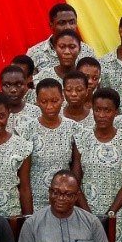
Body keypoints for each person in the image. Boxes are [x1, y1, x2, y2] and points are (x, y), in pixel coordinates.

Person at [74, 88, 122, 242]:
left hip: (117, 212)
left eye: (107, 110)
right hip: (85, 210)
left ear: (116, 112)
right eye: (98, 110)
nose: (102, 115)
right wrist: (89, 214)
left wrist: (111, 213)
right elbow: (76, 181)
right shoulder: (81, 138)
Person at [28, 79, 79, 208]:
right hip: (36, 201)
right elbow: (23, 176)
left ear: (62, 99)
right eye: (44, 102)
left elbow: (76, 168)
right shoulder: (26, 130)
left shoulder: (74, 128)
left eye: (54, 101)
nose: (49, 107)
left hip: (65, 200)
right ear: (37, 101)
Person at [27, 5, 97, 72]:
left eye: (72, 22)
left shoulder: (87, 51)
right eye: (62, 23)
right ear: (51, 26)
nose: (68, 27)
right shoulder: (34, 53)